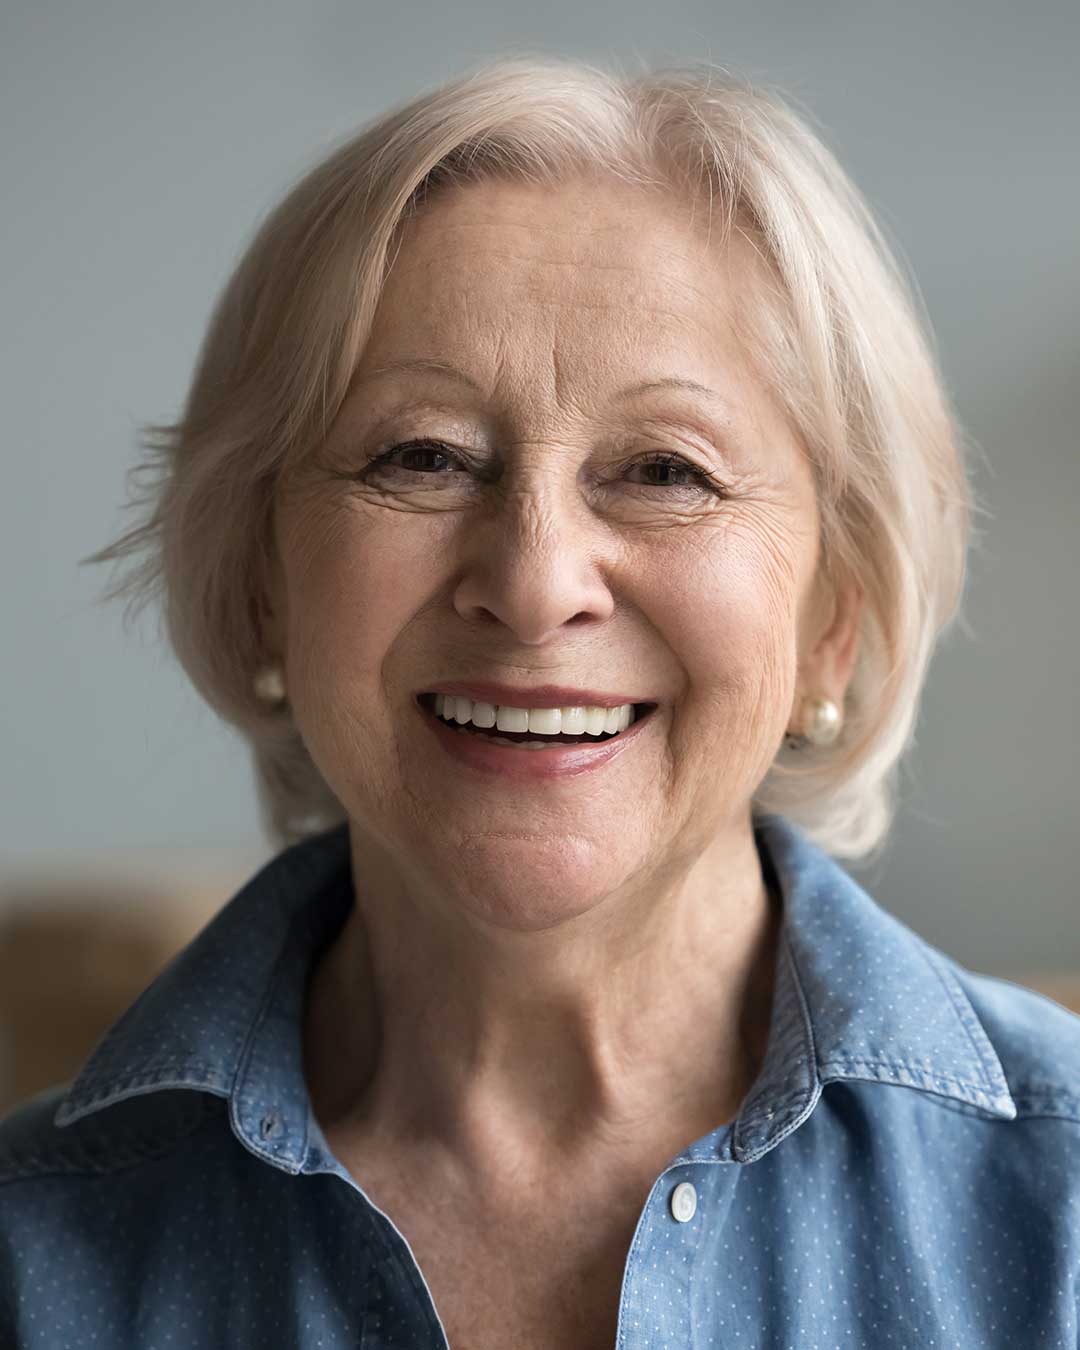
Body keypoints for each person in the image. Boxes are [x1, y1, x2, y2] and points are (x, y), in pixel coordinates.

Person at [2, 54, 1078, 1350]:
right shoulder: (32, 1256)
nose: (534, 582)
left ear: (833, 619)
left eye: (665, 470)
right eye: (424, 456)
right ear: (263, 582)